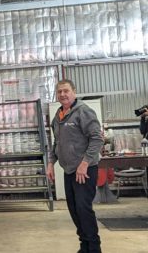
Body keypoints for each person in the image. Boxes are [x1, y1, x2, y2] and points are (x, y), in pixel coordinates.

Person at [47, 79, 102, 253]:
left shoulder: (83, 112)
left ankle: (94, 248)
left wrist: (85, 163)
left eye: (66, 91)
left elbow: (97, 138)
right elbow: (57, 143)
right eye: (59, 92)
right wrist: (50, 162)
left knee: (83, 209)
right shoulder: (58, 116)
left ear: (74, 92)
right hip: (69, 170)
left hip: (84, 170)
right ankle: (84, 245)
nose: (62, 94)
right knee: (74, 209)